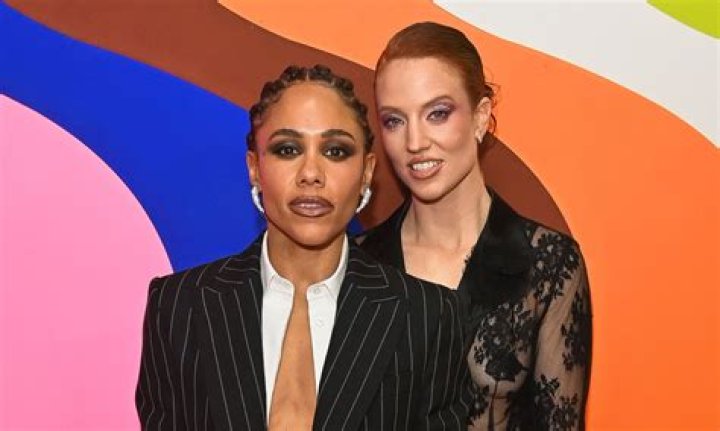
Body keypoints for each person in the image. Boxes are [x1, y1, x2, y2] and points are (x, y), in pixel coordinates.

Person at [135, 64, 470, 430]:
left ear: (366, 172)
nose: (311, 174)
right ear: (254, 167)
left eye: (336, 151)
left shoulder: (427, 317)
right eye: (288, 149)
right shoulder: (179, 306)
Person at [359, 23, 592, 430]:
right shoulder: (357, 263)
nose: (415, 142)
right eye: (394, 120)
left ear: (481, 117)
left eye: (437, 114)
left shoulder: (549, 264)